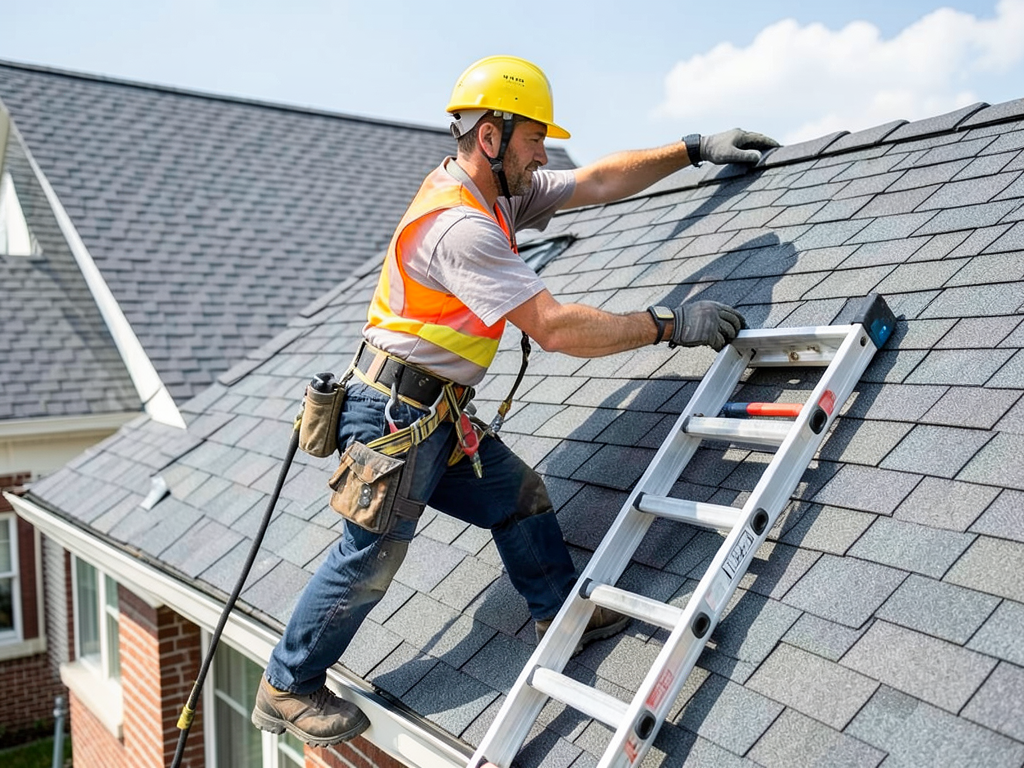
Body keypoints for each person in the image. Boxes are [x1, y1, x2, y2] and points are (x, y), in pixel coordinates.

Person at [251, 55, 778, 747]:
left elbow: (595, 180)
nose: (543, 155)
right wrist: (670, 324)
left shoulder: (495, 194)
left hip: (429, 413)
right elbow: (554, 329)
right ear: (492, 137)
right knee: (370, 556)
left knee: (518, 496)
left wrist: (690, 148)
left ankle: (559, 609)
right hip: (395, 418)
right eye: (534, 140)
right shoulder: (458, 227)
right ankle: (287, 686)